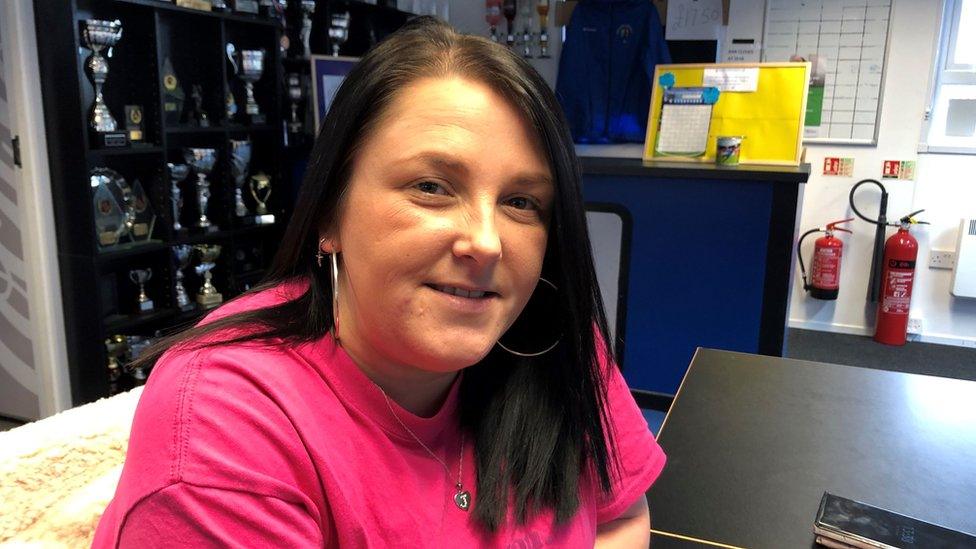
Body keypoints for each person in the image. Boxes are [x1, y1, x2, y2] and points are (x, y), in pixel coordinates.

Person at [93, 16, 665, 548]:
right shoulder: (227, 432)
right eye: (432, 188)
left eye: (521, 202)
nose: (488, 242)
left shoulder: (550, 336)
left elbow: (622, 515)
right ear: (329, 214)